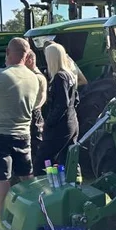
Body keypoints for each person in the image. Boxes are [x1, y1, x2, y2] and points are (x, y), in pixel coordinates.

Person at [0, 38, 44, 220]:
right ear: (27, 56)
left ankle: (2, 222)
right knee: (27, 178)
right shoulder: (35, 79)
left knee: (2, 181)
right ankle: (34, 216)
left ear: (7, 52)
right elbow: (36, 104)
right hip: (23, 134)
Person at [36, 42, 81, 175]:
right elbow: (76, 99)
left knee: (42, 159)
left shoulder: (59, 77)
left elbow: (62, 104)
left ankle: (42, 188)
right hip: (72, 122)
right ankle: (73, 186)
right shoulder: (70, 75)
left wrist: (49, 122)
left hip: (60, 126)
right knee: (68, 159)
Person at [24, 51, 48, 170]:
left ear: (30, 60)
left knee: (36, 143)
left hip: (33, 113)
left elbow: (40, 99)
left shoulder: (37, 77)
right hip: (30, 112)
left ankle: (38, 169)